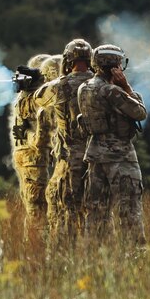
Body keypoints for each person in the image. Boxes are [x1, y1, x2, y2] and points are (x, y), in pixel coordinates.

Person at [77, 44, 147, 243]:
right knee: (129, 209)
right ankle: (136, 256)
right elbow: (140, 112)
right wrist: (126, 87)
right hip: (120, 156)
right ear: (116, 65)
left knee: (97, 211)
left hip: (95, 155)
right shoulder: (111, 91)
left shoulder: (84, 88)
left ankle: (96, 256)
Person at [35, 38, 94, 240]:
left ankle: (64, 259)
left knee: (63, 209)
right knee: (95, 212)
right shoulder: (100, 85)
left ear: (68, 59)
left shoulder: (59, 86)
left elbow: (39, 98)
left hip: (69, 159)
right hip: (97, 158)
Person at [9, 53, 53, 240]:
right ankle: (37, 250)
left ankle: (34, 246)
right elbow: (40, 137)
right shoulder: (34, 99)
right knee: (38, 208)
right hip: (34, 157)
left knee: (33, 206)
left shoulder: (24, 96)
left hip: (25, 157)